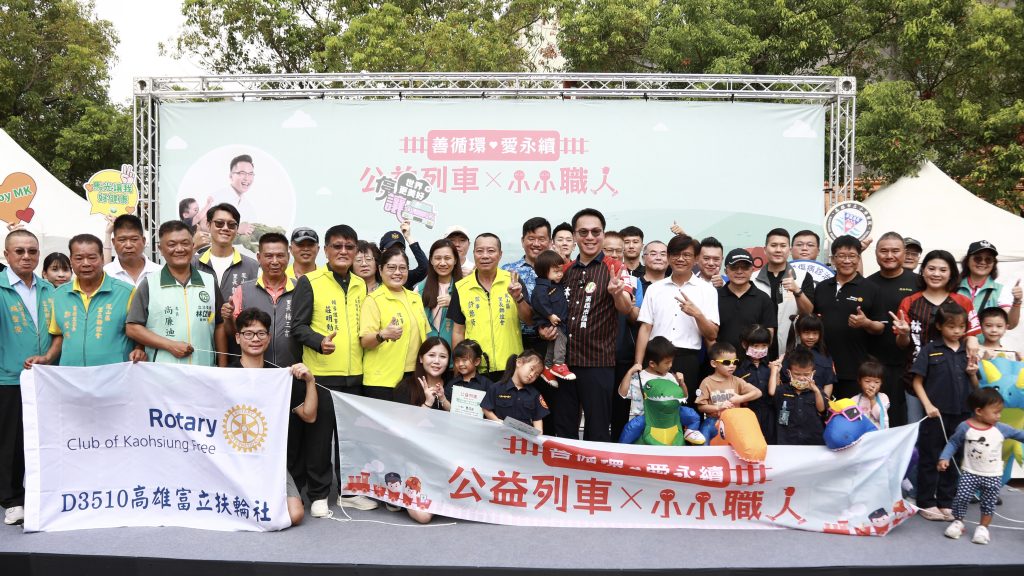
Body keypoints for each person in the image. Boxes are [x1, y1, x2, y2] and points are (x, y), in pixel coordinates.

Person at [291, 224, 375, 516]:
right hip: (322, 375)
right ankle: (318, 494)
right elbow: (297, 326)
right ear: (325, 250)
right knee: (319, 438)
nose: (343, 251)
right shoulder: (310, 281)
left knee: (350, 438)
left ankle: (348, 492)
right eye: (337, 246)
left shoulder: (360, 284)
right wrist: (318, 342)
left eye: (349, 247)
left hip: (356, 374)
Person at [229, 307, 319, 527]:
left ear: (268, 338)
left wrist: (310, 381)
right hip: (233, 459)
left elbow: (309, 416)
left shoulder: (279, 377)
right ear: (238, 338)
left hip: (271, 461)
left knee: (295, 514)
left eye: (261, 333)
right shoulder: (225, 376)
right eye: (248, 333)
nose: (255, 339)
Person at [554, 208, 634, 442]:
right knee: (565, 428)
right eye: (583, 232)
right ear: (575, 236)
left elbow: (626, 308)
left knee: (598, 429)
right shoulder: (565, 270)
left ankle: (592, 468)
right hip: (564, 363)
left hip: (598, 362)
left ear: (603, 234)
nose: (590, 237)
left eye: (595, 232)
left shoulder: (616, 268)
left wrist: (617, 293)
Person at [0, 230, 56, 526]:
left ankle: (36, 493)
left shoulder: (49, 289)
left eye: (32, 251)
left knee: (41, 437)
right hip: (8, 377)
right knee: (10, 441)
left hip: (45, 377)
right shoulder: (1, 288)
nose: (26, 256)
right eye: (19, 251)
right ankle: (11, 499)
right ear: (6, 255)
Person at [891, 250, 980, 423]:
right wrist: (904, 333)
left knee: (953, 429)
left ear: (951, 273)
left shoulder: (963, 302)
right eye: (931, 268)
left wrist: (972, 338)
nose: (936, 274)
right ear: (923, 270)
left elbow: (972, 334)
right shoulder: (909, 302)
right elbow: (902, 344)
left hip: (953, 379)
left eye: (943, 270)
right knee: (916, 427)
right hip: (916, 378)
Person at [911, 301, 979, 522]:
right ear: (939, 326)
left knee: (954, 457)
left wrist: (972, 373)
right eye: (951, 326)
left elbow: (977, 387)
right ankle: (926, 502)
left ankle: (946, 502)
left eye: (961, 327)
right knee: (930, 457)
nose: (957, 331)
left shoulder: (967, 352)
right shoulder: (930, 350)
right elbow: (917, 382)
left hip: (962, 414)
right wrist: (928, 405)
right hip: (936, 415)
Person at [126, 220, 227, 366]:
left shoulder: (209, 281)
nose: (179, 249)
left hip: (203, 370)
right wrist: (169, 345)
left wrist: (222, 368)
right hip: (162, 372)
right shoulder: (149, 284)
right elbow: (132, 328)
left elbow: (219, 325)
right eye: (172, 244)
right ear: (161, 249)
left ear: (193, 245)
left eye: (185, 243)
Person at [635, 234, 719, 406]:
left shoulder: (707, 290)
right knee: (651, 409)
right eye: (675, 254)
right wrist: (637, 364)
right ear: (669, 257)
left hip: (687, 358)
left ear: (696, 259)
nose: (680, 259)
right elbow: (645, 328)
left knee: (684, 409)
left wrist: (697, 314)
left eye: (686, 255)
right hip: (654, 357)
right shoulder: (654, 289)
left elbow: (712, 334)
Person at [939, 387, 1024, 544]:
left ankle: (983, 528)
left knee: (988, 503)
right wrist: (944, 457)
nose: (999, 416)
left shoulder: (1001, 429)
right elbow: (953, 442)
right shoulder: (965, 427)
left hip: (993, 475)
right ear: (979, 411)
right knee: (961, 497)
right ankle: (958, 522)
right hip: (969, 472)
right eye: (995, 412)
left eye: (1000, 412)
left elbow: (1019, 434)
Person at [448, 233, 532, 381]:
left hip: (511, 366)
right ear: (474, 254)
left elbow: (530, 320)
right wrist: (458, 365)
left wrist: (518, 298)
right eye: (480, 251)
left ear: (500, 254)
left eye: (491, 251)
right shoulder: (461, 287)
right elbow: (458, 331)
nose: (485, 256)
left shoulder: (513, 281)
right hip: (475, 367)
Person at [48, 234, 141, 366]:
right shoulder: (59, 294)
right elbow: (59, 334)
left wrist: (139, 349)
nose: (86, 263)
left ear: (102, 259)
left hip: (114, 373)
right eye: (79, 258)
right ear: (71, 261)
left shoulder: (126, 292)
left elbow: (139, 332)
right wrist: (47, 358)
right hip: (71, 373)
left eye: (92, 258)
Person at [812, 235, 886, 399]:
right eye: (841, 256)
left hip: (855, 369)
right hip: (822, 366)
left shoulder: (872, 289)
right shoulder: (822, 287)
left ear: (858, 258)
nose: (847, 261)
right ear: (833, 259)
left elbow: (880, 327)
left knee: (850, 412)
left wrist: (866, 323)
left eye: (852, 256)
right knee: (821, 410)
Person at [360, 246, 429, 399]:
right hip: (382, 380)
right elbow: (365, 341)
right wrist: (382, 335)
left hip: (413, 377)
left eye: (402, 268)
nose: (397, 272)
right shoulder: (373, 300)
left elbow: (424, 335)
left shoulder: (415, 298)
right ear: (380, 269)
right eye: (391, 268)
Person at [865, 232, 918, 427]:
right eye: (884, 251)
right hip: (873, 365)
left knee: (904, 420)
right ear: (876, 253)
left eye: (895, 251)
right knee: (874, 419)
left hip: (909, 365)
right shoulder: (867, 283)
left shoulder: (919, 283)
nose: (889, 256)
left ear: (904, 253)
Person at [224, 233, 298, 368]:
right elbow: (233, 333)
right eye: (269, 256)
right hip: (254, 371)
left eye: (280, 256)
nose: (275, 261)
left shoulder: (301, 289)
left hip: (292, 371)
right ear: (258, 257)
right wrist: (228, 318)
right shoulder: (243, 290)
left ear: (288, 256)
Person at [617, 335, 704, 444]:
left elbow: (684, 397)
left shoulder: (670, 376)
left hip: (667, 423)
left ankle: (689, 433)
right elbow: (622, 393)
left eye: (671, 361)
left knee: (692, 416)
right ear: (652, 363)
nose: (670, 365)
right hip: (644, 422)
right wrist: (630, 372)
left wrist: (682, 383)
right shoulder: (640, 377)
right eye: (667, 362)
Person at [752, 228, 814, 359]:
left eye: (783, 246)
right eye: (774, 245)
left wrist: (797, 291)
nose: (778, 250)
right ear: (765, 249)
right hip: (757, 347)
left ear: (789, 250)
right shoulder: (752, 278)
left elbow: (808, 312)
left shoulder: (803, 277)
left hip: (792, 348)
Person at [502, 217, 552, 353]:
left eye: (541, 239)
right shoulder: (507, 271)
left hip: (549, 341)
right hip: (514, 340)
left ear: (550, 242)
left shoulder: (557, 271)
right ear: (522, 241)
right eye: (531, 238)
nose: (536, 244)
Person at [193, 203, 259, 303]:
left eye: (231, 225)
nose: (225, 228)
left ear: (237, 229)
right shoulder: (193, 263)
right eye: (219, 223)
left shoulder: (252, 266)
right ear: (208, 225)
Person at [695, 342, 763, 437]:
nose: (732, 365)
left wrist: (740, 398)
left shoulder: (736, 380)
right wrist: (718, 407)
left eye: (735, 362)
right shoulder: (707, 382)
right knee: (705, 433)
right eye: (726, 362)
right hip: (714, 420)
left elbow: (758, 392)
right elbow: (701, 407)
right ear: (714, 363)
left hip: (734, 420)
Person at [716, 248, 776, 353]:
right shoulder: (715, 297)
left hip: (754, 361)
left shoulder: (763, 299)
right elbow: (709, 335)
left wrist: (755, 358)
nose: (739, 271)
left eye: (745, 267)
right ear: (726, 271)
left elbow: (769, 335)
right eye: (734, 267)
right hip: (722, 360)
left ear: (752, 270)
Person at [531, 250, 575, 383]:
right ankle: (559, 364)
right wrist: (549, 315)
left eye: (561, 270)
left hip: (557, 321)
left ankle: (548, 368)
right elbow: (540, 303)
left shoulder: (556, 284)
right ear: (544, 272)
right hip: (551, 321)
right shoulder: (541, 288)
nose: (560, 274)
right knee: (561, 339)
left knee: (552, 344)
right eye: (556, 271)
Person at [956, 240, 1021, 330]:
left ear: (993, 263)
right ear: (967, 261)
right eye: (978, 258)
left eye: (988, 259)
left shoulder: (1001, 290)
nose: (983, 262)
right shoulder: (953, 287)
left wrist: (1017, 301)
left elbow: (1010, 324)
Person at [768, 347, 825, 445]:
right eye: (797, 374)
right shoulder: (783, 390)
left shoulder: (817, 390)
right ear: (789, 373)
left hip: (812, 441)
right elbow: (772, 392)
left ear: (813, 373)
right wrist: (774, 371)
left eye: (806, 375)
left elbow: (822, 409)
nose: (802, 378)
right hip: (787, 440)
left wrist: (816, 391)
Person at [481, 349, 548, 433]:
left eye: (536, 375)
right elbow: (485, 408)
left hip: (524, 438)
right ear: (519, 362)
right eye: (531, 369)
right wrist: (497, 422)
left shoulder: (535, 394)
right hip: (500, 435)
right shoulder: (496, 388)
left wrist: (539, 435)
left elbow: (537, 418)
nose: (532, 375)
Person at [418, 239, 463, 347]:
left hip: (455, 352)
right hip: (428, 352)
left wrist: (454, 304)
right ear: (431, 260)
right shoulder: (420, 289)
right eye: (438, 258)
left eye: (447, 258)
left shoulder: (464, 287)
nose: (442, 263)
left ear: (455, 260)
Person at [736, 325, 775, 443]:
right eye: (755, 346)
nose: (760, 349)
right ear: (745, 344)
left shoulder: (771, 367)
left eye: (764, 346)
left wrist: (775, 372)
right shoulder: (738, 370)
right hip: (748, 414)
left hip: (770, 414)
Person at [785, 314, 838, 398]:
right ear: (798, 332)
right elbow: (783, 383)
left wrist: (824, 402)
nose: (811, 337)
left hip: (818, 401)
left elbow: (828, 383)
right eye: (806, 333)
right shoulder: (790, 355)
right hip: (793, 401)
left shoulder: (825, 356)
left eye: (815, 333)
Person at [104, 214, 162, 288]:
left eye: (134, 239)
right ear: (114, 242)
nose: (128, 245)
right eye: (122, 240)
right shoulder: (105, 274)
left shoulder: (160, 272)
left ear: (143, 241)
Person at [444, 339, 493, 414]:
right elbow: (448, 409)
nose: (460, 364)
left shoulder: (487, 384)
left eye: (464, 360)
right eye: (457, 360)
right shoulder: (452, 384)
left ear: (476, 361)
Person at [379, 220, 429, 289]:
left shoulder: (405, 276)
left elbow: (425, 267)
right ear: (382, 251)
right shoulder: (373, 275)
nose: (397, 273)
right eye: (391, 249)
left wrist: (408, 237)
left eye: (400, 249)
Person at [851, 359, 889, 429]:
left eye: (877, 382)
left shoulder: (883, 397)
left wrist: (872, 399)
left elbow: (881, 418)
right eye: (867, 381)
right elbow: (852, 421)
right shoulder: (854, 400)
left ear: (881, 383)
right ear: (859, 381)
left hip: (877, 434)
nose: (872, 385)